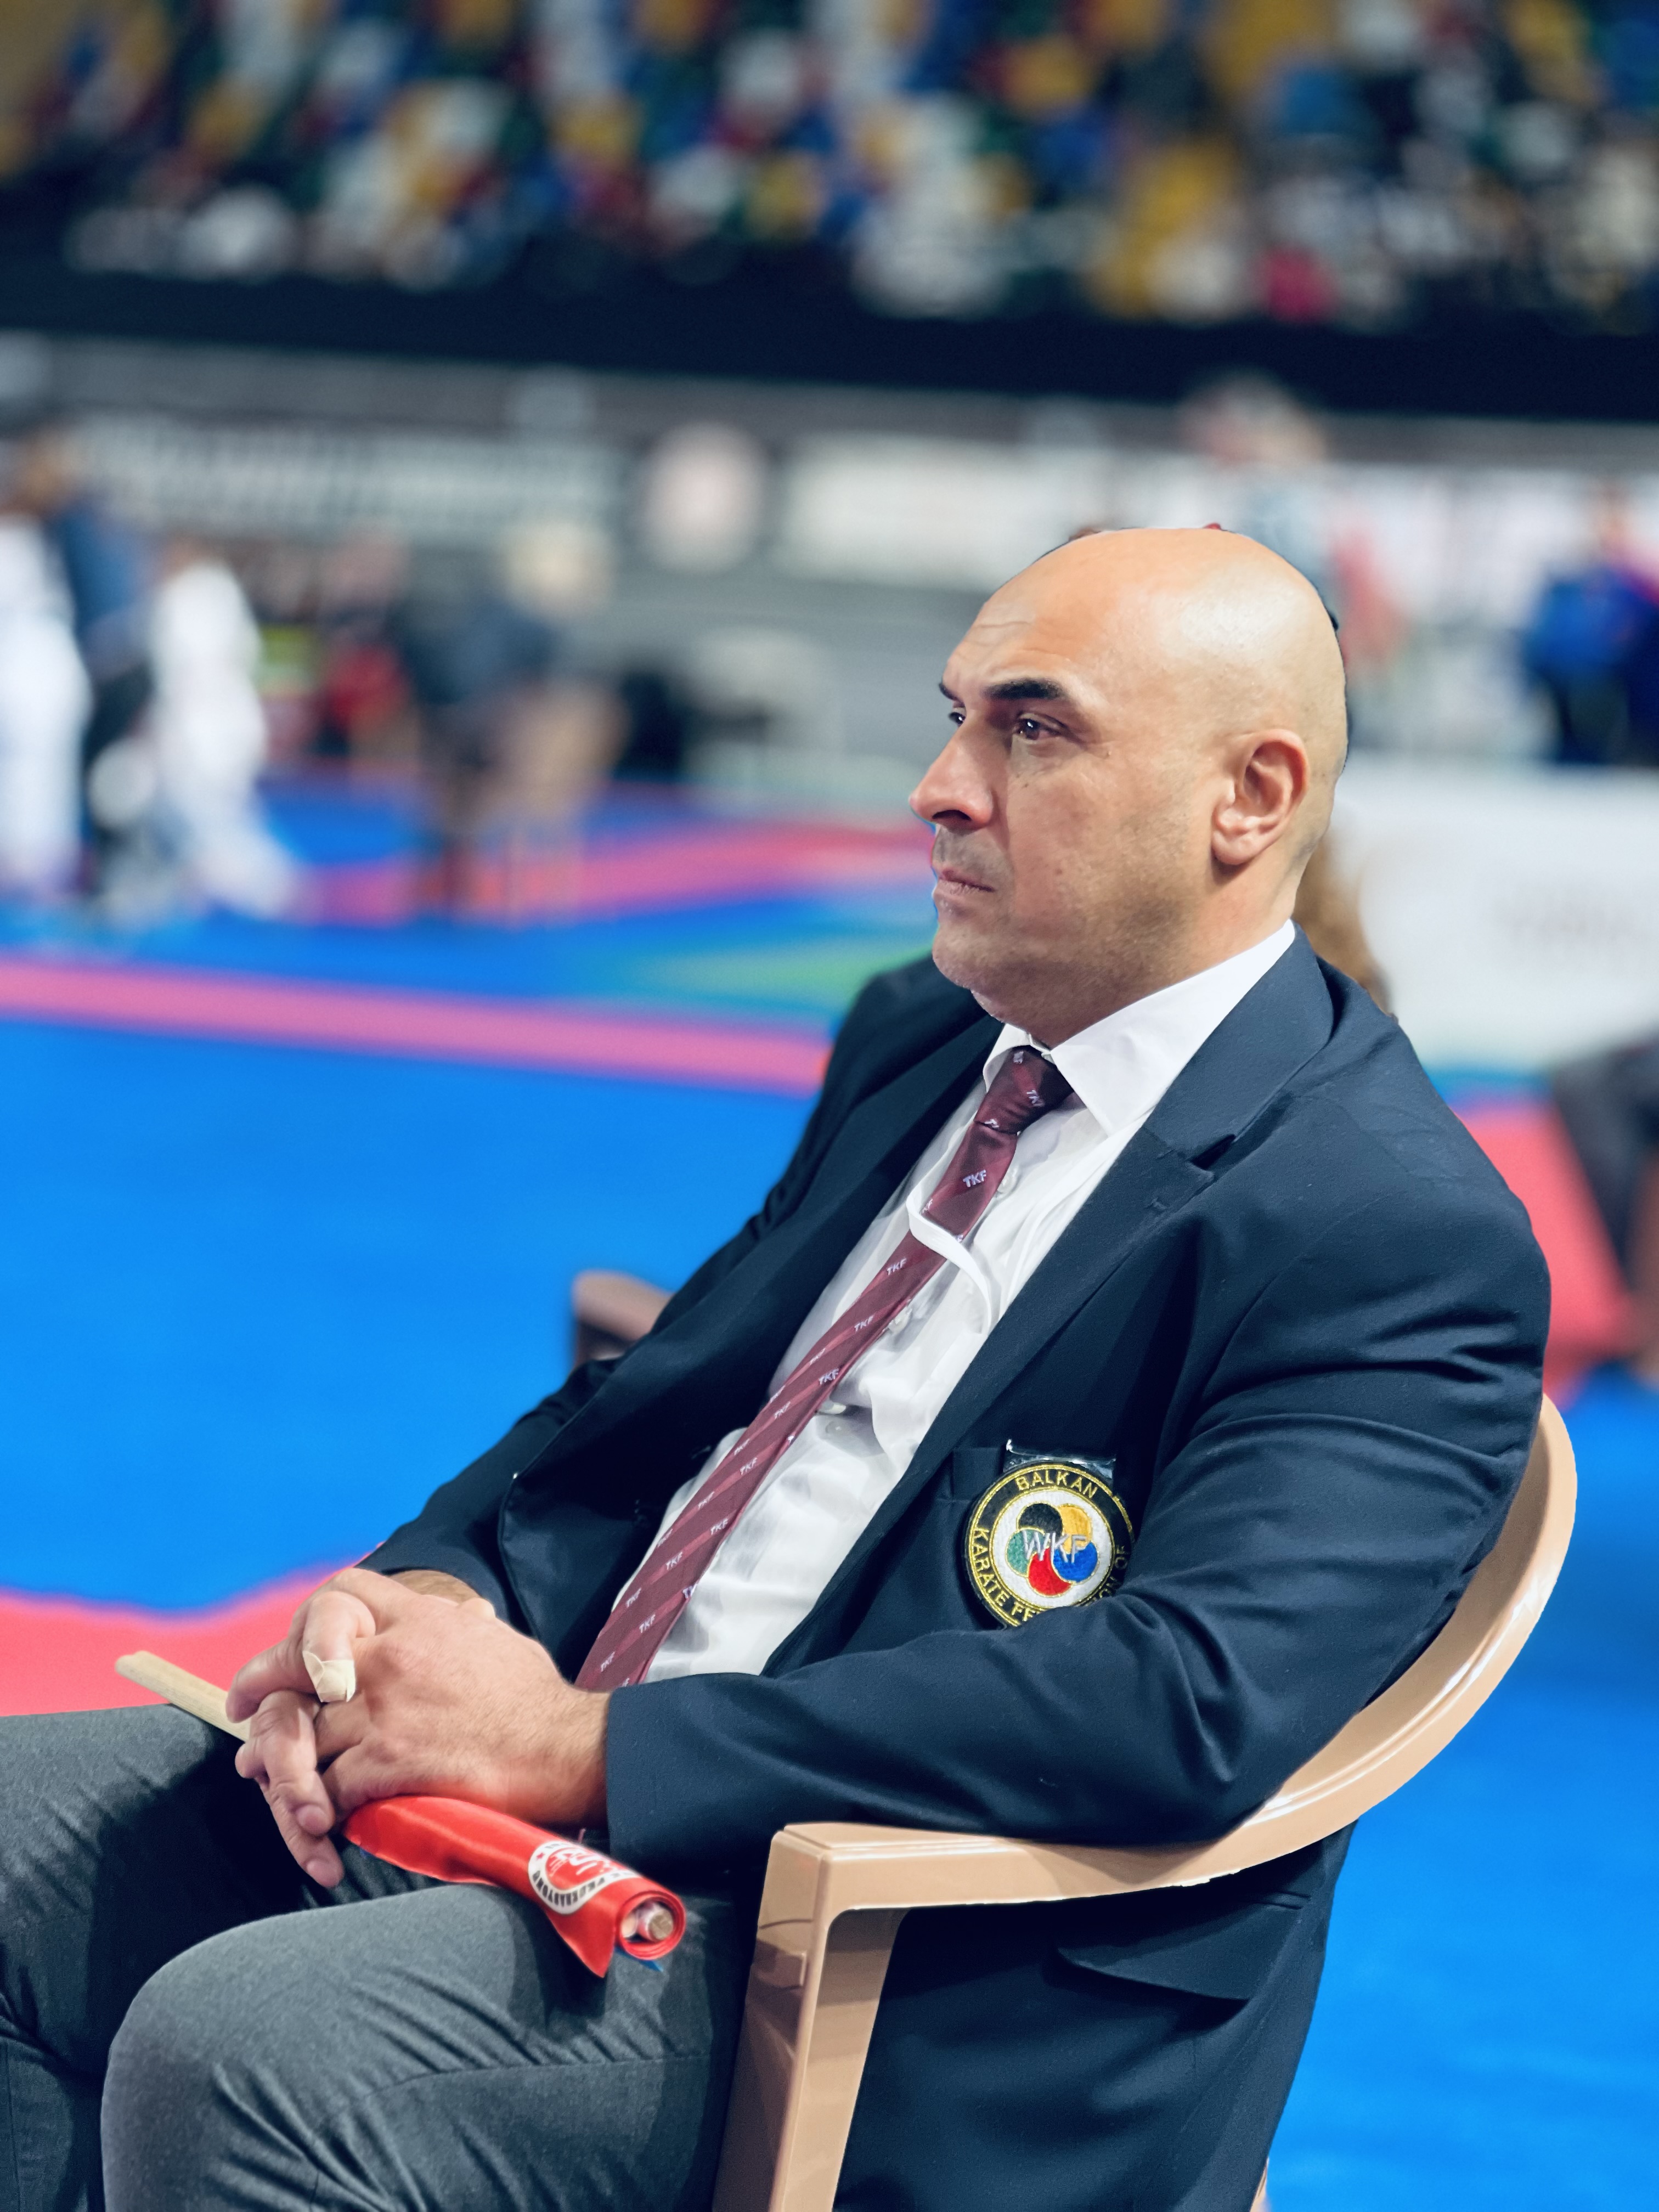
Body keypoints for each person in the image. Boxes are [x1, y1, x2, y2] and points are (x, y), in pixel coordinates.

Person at [0, 528, 1547, 2212]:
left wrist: (592, 1751)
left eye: (1034, 730)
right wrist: (420, 1603)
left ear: (1249, 796)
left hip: (881, 1956)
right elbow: (662, 1402)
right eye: (957, 719)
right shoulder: (930, 1034)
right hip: (580, 1803)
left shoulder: (1389, 1225)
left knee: (244, 2050)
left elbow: (1185, 1701)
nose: (939, 789)